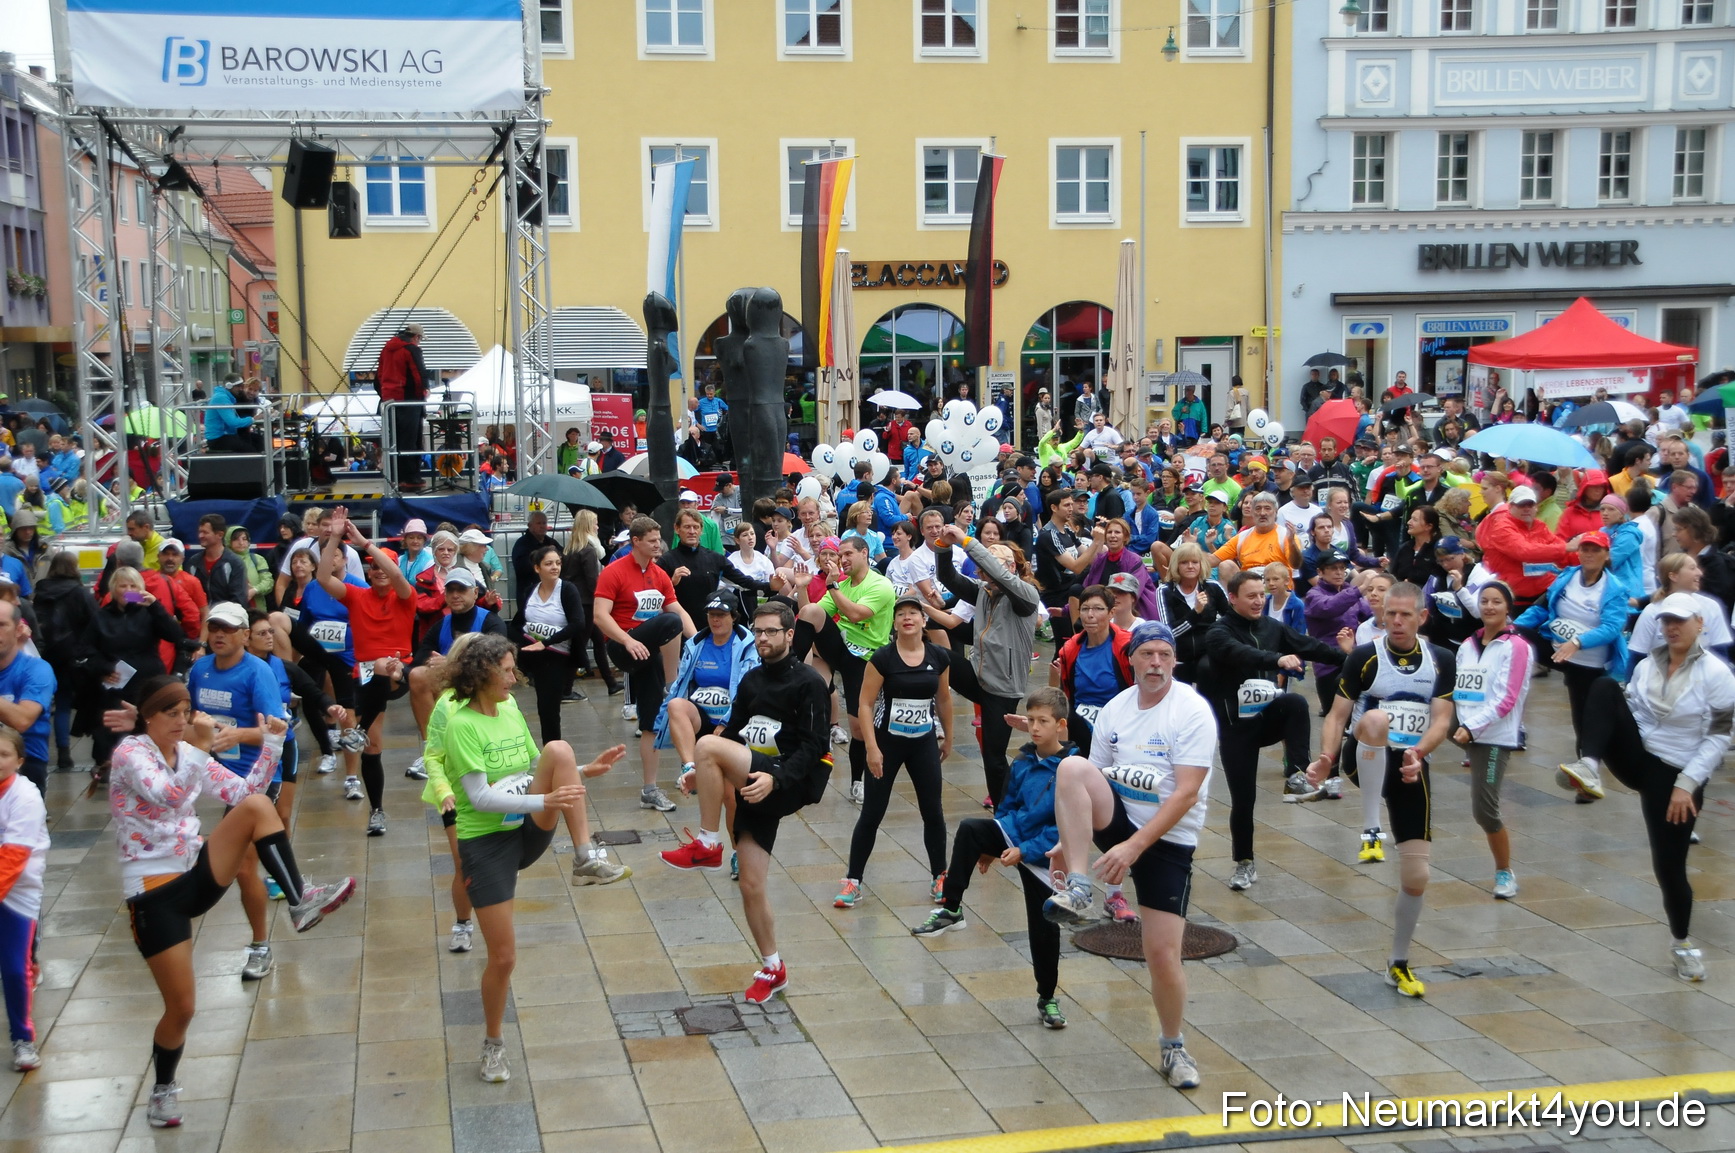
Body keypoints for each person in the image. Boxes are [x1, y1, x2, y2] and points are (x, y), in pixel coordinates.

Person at [109, 675, 354, 1127]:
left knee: (259, 809)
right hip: (155, 894)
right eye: (172, 713)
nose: (182, 722)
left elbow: (244, 794)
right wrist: (201, 748)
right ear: (147, 715)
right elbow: (168, 795)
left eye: (186, 713)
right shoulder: (130, 754)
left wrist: (273, 747)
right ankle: (163, 1089)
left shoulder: (188, 751)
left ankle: (300, 900)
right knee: (182, 1008)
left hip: (196, 871)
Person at [441, 635, 626, 1081]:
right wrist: (545, 801)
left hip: (526, 828)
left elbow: (532, 767)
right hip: (486, 844)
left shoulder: (508, 710)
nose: (514, 677)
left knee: (559, 749)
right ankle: (492, 1044)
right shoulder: (460, 724)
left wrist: (583, 772)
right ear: (482, 673)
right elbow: (481, 797)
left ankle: (584, 857)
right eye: (506, 670)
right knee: (503, 958)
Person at [1041, 622, 1212, 1089]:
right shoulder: (1116, 708)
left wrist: (1135, 847)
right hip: (1119, 819)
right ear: (1131, 659)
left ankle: (1173, 1046)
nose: (1156, 663)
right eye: (1147, 654)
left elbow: (1187, 794)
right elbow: (1090, 779)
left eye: (1164, 654)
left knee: (1161, 953)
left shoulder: (1192, 712)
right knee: (1072, 764)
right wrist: (1066, 842)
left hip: (1168, 837)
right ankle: (1079, 887)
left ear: (1174, 660)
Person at [660, 601, 833, 1004]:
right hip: (754, 782)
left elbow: (815, 747)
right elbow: (735, 734)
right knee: (752, 886)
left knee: (704, 743)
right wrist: (697, 773)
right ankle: (773, 966)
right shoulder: (753, 681)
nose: (763, 639)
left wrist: (776, 778)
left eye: (772, 631)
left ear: (790, 635)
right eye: (758, 632)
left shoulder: (808, 682)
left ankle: (708, 842)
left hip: (789, 781)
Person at [1569, 593, 1735, 981]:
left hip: (1677, 772)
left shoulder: (1717, 674)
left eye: (1679, 621)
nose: (1671, 628)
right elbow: (1636, 710)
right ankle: (1588, 766)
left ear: (1699, 623)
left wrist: (1687, 784)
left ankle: (1682, 943)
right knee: (1605, 688)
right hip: (1639, 756)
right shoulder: (1647, 667)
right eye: (1665, 621)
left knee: (1669, 866)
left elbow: (1718, 738)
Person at [1306, 582, 1456, 999]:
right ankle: (1371, 827)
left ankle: (1399, 961)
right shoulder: (1364, 657)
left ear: (1422, 617)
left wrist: (1420, 752)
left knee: (1417, 876)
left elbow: (1442, 719)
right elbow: (1338, 716)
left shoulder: (1441, 659)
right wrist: (1325, 757)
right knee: (1375, 722)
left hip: (1409, 765)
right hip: (1365, 755)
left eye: (1406, 614)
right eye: (1391, 614)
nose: (1397, 622)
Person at [911, 686, 1070, 1029]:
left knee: (1044, 930)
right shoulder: (1024, 760)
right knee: (970, 829)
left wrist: (1022, 852)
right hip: (1013, 835)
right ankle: (952, 908)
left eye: (1043, 721)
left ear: (1060, 725)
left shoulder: (1071, 769)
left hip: (1044, 855)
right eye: (1031, 720)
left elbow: (1065, 830)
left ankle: (1048, 998)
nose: (1036, 727)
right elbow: (1007, 806)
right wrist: (991, 846)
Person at [1204, 572, 1348, 889]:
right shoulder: (1218, 632)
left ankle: (1297, 774)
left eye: (1261, 595)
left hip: (1267, 718)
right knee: (1243, 801)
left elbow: (1309, 645)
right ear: (1233, 598)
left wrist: (1348, 657)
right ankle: (1244, 863)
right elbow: (1241, 653)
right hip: (1236, 728)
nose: (1259, 601)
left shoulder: (1272, 627)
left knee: (1296, 703)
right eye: (1251, 595)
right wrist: (1277, 658)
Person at [835, 594, 953, 908]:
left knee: (933, 812)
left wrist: (949, 737)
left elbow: (943, 699)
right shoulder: (883, 658)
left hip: (923, 743)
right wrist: (872, 748)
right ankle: (853, 880)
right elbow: (864, 703)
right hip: (888, 744)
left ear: (924, 620)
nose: (908, 618)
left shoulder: (939, 657)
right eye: (901, 614)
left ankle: (939, 876)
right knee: (872, 813)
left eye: (914, 613)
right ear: (895, 622)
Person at [316, 510, 417, 835]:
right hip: (366, 674)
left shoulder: (405, 597)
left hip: (398, 667)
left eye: (383, 566)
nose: (379, 571)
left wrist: (365, 544)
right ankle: (377, 811)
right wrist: (334, 538)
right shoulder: (358, 596)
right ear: (369, 574)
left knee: (387, 665)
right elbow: (323, 579)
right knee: (372, 747)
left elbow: (399, 578)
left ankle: (357, 726)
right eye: (373, 568)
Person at [1516, 532, 1630, 799]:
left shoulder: (1614, 588)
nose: (1589, 554)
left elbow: (1612, 628)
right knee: (1517, 636)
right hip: (1558, 651)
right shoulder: (1566, 577)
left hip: (1589, 664)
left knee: (1583, 721)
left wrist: (1578, 642)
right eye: (1585, 549)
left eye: (1595, 550)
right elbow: (1541, 609)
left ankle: (1588, 779)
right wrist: (1512, 627)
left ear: (1606, 554)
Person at [933, 526, 1041, 804]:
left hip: (1002, 689)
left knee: (993, 758)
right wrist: (943, 546)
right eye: (979, 570)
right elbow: (947, 576)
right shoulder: (984, 592)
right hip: (978, 676)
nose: (981, 574)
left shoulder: (1025, 595)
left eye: (985, 568)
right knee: (935, 654)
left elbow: (999, 574)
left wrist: (966, 540)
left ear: (1009, 568)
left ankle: (1005, 812)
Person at [594, 516, 695, 813]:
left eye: (658, 539)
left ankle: (649, 790)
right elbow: (600, 616)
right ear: (635, 541)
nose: (657, 544)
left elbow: (678, 608)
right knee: (669, 621)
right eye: (651, 540)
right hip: (623, 646)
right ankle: (671, 682)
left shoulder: (659, 574)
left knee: (651, 722)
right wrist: (626, 640)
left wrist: (701, 641)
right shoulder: (614, 572)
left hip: (648, 653)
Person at [793, 535, 896, 803]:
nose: (843, 560)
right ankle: (790, 670)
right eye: (841, 555)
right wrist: (803, 588)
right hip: (840, 645)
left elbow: (855, 614)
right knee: (813, 611)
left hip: (866, 658)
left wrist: (833, 586)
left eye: (848, 554)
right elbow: (809, 614)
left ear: (865, 553)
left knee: (859, 728)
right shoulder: (843, 584)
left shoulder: (881, 585)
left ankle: (857, 782)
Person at [1451, 582, 1531, 901]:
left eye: (1496, 601)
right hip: (1464, 726)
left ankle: (1504, 871)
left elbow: (1506, 699)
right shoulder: (1467, 645)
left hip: (1493, 736)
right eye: (1484, 601)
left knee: (1484, 811)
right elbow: (1458, 687)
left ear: (1508, 607)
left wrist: (1471, 728)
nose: (1489, 607)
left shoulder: (1517, 647)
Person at [0, 724, 46, 1071]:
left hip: (17, 894)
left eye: (3, 755)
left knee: (14, 970)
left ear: (19, 759)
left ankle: (23, 1039)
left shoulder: (26, 796)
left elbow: (14, 858)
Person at [509, 544, 588, 744]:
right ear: (537, 568)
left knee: (548, 708)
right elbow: (520, 622)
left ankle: (553, 751)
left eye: (558, 563)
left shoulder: (568, 590)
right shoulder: (530, 591)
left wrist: (546, 643)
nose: (555, 567)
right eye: (549, 564)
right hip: (530, 653)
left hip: (557, 656)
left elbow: (578, 623)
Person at [378, 324, 429, 490]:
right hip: (408, 401)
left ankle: (395, 477)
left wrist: (384, 394)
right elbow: (418, 374)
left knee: (393, 441)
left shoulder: (386, 349)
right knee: (410, 441)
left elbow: (379, 376)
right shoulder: (411, 350)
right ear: (416, 337)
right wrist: (423, 392)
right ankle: (411, 478)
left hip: (389, 400)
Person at [658, 507, 724, 625]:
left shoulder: (714, 557)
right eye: (687, 527)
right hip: (679, 625)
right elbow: (654, 594)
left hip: (708, 624)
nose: (692, 531)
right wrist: (672, 582)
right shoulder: (666, 560)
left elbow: (741, 579)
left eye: (696, 527)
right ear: (677, 529)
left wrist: (766, 586)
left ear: (701, 530)